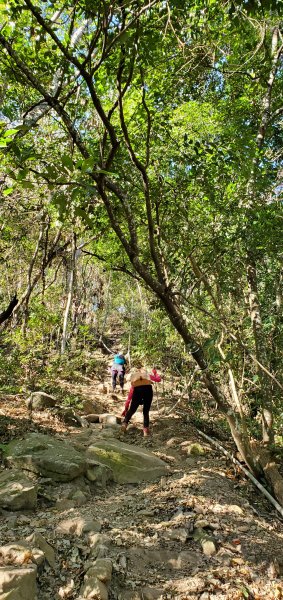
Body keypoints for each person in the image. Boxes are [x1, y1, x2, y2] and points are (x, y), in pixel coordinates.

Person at [121, 367, 161, 436]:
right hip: (148, 391)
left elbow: (129, 399)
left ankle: (124, 424)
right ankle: (145, 431)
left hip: (137, 391)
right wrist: (155, 373)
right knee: (146, 412)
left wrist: (126, 409)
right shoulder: (147, 376)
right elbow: (158, 379)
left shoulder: (135, 381)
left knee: (132, 410)